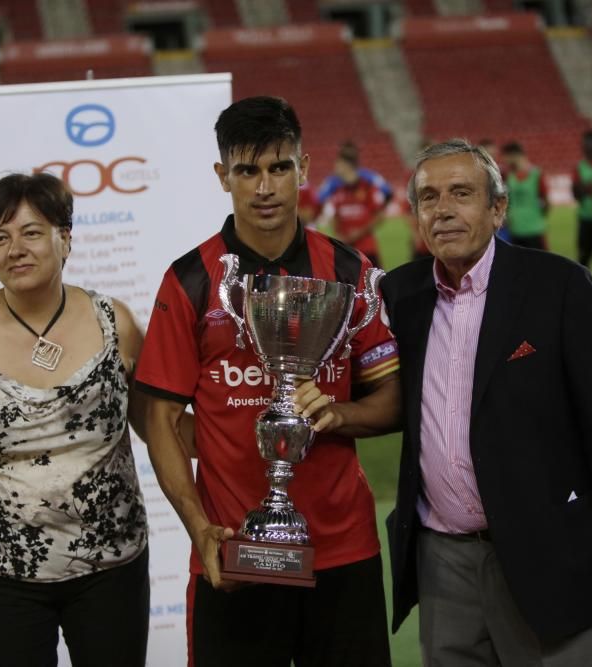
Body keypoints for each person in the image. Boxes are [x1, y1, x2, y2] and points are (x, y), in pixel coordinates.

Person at [134, 96, 401, 667]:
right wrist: (200, 529)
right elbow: (158, 419)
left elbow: (393, 399)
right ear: (222, 176)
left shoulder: (349, 272)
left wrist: (338, 412)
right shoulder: (190, 281)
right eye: (247, 171)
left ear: (303, 169)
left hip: (341, 550)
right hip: (235, 551)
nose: (265, 187)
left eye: (279, 167)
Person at [382, 139, 592, 666]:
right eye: (429, 198)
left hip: (543, 554)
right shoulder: (400, 295)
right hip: (441, 562)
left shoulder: (559, 287)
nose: (442, 210)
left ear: (498, 207)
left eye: (461, 193)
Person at [0, 172, 151, 666]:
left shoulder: (117, 323)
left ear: (66, 239)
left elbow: (160, 429)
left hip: (112, 566)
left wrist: (240, 426)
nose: (14, 249)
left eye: (31, 232)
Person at [316, 140, 393, 267]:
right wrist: (338, 234)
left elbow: (380, 214)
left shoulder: (367, 185)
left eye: (338, 164)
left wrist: (358, 233)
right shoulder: (336, 189)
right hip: (345, 249)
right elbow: (332, 214)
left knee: (374, 285)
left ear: (347, 166)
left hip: (367, 249)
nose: (335, 168)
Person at [501, 141, 549, 250]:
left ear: (515, 155)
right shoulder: (507, 175)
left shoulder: (536, 174)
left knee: (539, 265)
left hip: (534, 229)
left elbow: (546, 202)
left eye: (506, 157)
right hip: (516, 229)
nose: (505, 160)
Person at [572, 129, 592, 267]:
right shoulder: (579, 167)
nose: (587, 147)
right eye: (585, 144)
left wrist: (586, 188)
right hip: (586, 218)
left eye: (590, 143)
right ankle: (583, 288)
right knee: (584, 259)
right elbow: (576, 194)